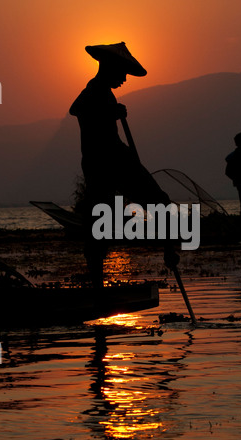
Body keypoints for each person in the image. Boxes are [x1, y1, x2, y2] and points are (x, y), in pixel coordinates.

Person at [70, 42, 179, 287]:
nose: (125, 79)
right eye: (122, 73)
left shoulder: (104, 92)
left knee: (158, 203)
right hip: (106, 163)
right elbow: (76, 110)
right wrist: (110, 112)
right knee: (153, 205)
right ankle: (98, 284)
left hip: (115, 160)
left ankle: (169, 252)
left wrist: (111, 110)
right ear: (110, 67)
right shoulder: (94, 90)